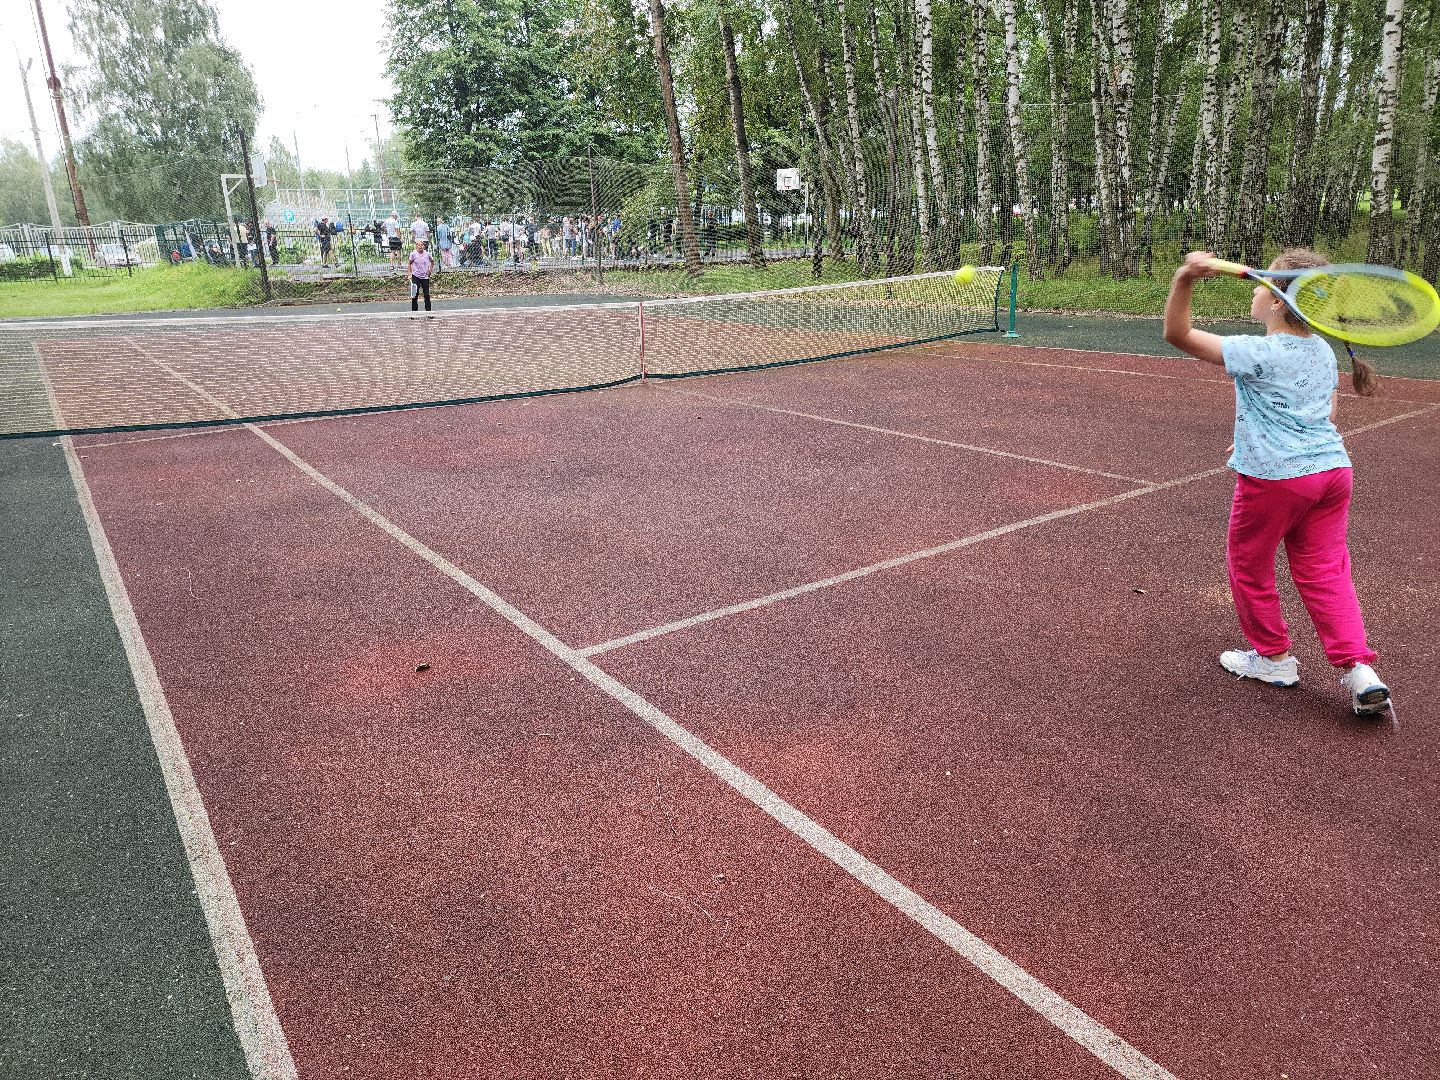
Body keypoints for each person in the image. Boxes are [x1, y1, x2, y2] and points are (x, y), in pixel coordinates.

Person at [1163, 248, 1391, 716]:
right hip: (1332, 472)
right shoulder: (1323, 350)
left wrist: (1186, 278)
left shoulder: (1258, 352)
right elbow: (1324, 414)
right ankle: (1360, 671)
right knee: (1327, 572)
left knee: (1249, 564)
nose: (1254, 291)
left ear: (1279, 302)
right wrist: (1255, 435)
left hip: (1278, 479)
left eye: (1261, 287)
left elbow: (1176, 333)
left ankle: (1273, 657)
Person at [408, 238, 435, 312]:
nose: (420, 246)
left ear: (424, 246)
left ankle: (428, 312)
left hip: (425, 277)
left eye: (422, 245)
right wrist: (409, 273)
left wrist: (430, 270)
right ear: (416, 246)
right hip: (415, 276)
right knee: (414, 294)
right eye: (418, 245)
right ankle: (414, 312)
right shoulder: (413, 254)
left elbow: (432, 262)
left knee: (426, 294)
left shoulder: (427, 254)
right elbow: (409, 263)